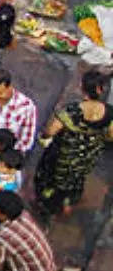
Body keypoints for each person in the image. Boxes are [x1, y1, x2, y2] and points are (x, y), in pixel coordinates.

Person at [35, 71, 113, 217]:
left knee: (51, 182)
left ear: (81, 87)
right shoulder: (109, 112)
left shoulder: (72, 111)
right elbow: (110, 136)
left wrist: (44, 136)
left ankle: (47, 208)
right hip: (86, 158)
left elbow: (50, 132)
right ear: (101, 89)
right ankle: (67, 202)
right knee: (75, 180)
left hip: (63, 158)